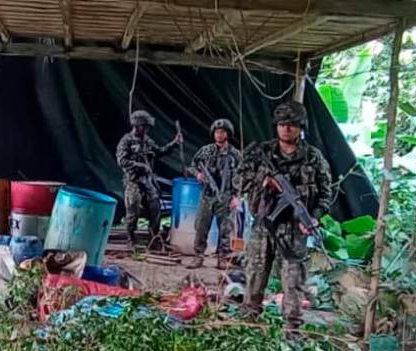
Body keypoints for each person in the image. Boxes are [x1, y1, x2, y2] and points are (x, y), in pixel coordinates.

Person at [233, 101, 333, 331]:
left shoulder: (313, 157)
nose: (286, 128)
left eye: (292, 124)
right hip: (263, 225)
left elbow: (326, 193)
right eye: (282, 124)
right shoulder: (261, 153)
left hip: (294, 228)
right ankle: (249, 322)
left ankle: (292, 327)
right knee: (256, 272)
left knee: (293, 278)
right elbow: (237, 181)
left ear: (301, 127)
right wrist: (263, 181)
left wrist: (315, 216)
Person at [116, 110, 183, 249]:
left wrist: (174, 144)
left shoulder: (147, 140)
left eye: (147, 127)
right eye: (144, 126)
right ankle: (131, 239)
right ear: (136, 125)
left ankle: (154, 238)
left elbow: (159, 152)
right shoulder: (126, 140)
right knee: (133, 208)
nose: (146, 129)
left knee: (155, 208)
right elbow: (122, 160)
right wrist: (139, 165)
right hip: (133, 181)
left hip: (147, 181)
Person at [186, 119, 242, 269]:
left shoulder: (235, 154)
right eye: (217, 132)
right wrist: (197, 174)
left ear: (228, 134)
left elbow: (242, 176)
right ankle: (198, 257)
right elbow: (191, 166)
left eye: (222, 132)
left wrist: (237, 197)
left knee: (226, 229)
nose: (219, 135)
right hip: (207, 195)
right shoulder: (206, 151)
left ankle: (223, 258)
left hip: (226, 196)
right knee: (201, 227)